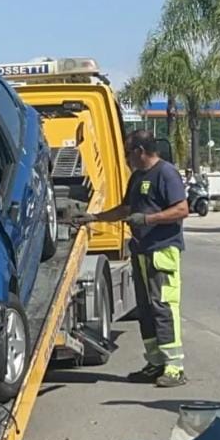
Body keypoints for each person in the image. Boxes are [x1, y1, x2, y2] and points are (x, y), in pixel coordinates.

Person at [73, 129, 189, 387]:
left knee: (164, 306)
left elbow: (182, 209)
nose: (126, 158)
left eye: (128, 153)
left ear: (139, 151)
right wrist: (95, 218)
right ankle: (155, 362)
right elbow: (126, 209)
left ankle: (174, 367)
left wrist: (149, 219)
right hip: (141, 250)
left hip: (162, 250)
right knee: (146, 309)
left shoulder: (166, 173)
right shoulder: (138, 177)